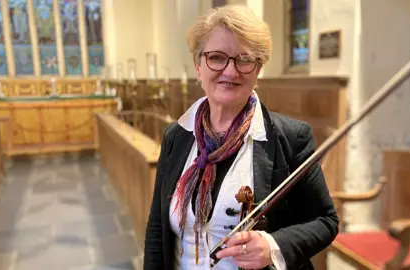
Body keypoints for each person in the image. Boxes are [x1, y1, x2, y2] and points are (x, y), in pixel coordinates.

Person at [143, 4, 339, 270]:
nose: (231, 71)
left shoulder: (291, 138)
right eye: (216, 57)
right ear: (198, 66)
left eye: (244, 59)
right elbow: (157, 228)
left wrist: (273, 245)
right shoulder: (176, 136)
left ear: (257, 70)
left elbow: (325, 221)